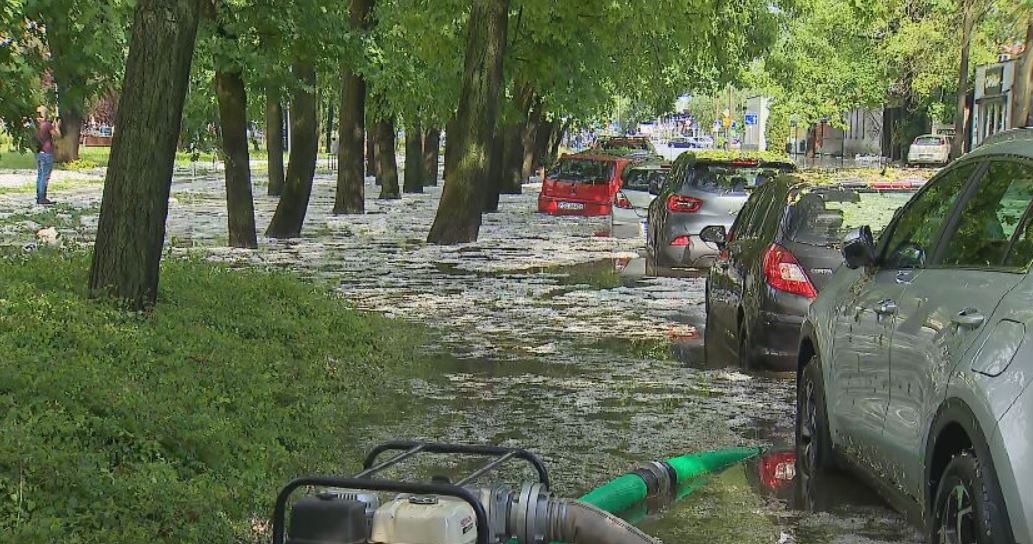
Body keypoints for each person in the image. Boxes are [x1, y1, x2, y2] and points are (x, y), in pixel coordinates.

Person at [34, 106, 61, 205]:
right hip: (47, 152)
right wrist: (57, 126)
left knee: (40, 175)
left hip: (39, 152)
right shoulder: (47, 125)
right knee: (45, 176)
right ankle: (42, 198)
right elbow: (58, 135)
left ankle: (39, 196)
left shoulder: (36, 125)